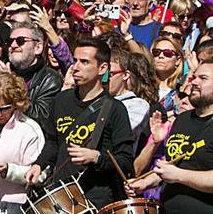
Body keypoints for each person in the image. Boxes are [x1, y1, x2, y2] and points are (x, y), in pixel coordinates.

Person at [26, 37, 135, 209]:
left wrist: (96, 157)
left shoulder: (115, 109)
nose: (75, 67)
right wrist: (39, 164)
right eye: (75, 60)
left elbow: (125, 160)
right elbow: (53, 142)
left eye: (84, 62)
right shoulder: (61, 100)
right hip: (62, 194)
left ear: (102, 68)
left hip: (97, 198)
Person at [125, 61, 213, 213]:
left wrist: (179, 175)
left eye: (203, 78)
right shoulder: (182, 120)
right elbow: (168, 166)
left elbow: (175, 172)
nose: (195, 82)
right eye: (194, 77)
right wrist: (145, 183)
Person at [0, 72, 44, 214]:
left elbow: (41, 175)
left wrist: (8, 170)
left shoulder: (30, 129)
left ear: (15, 104)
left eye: (4, 108)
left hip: (10, 204)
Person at [6, 24, 61, 127]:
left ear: (38, 47)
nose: (13, 45)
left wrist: (10, 85)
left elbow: (42, 118)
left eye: (20, 41)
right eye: (10, 41)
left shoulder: (50, 79)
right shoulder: (2, 72)